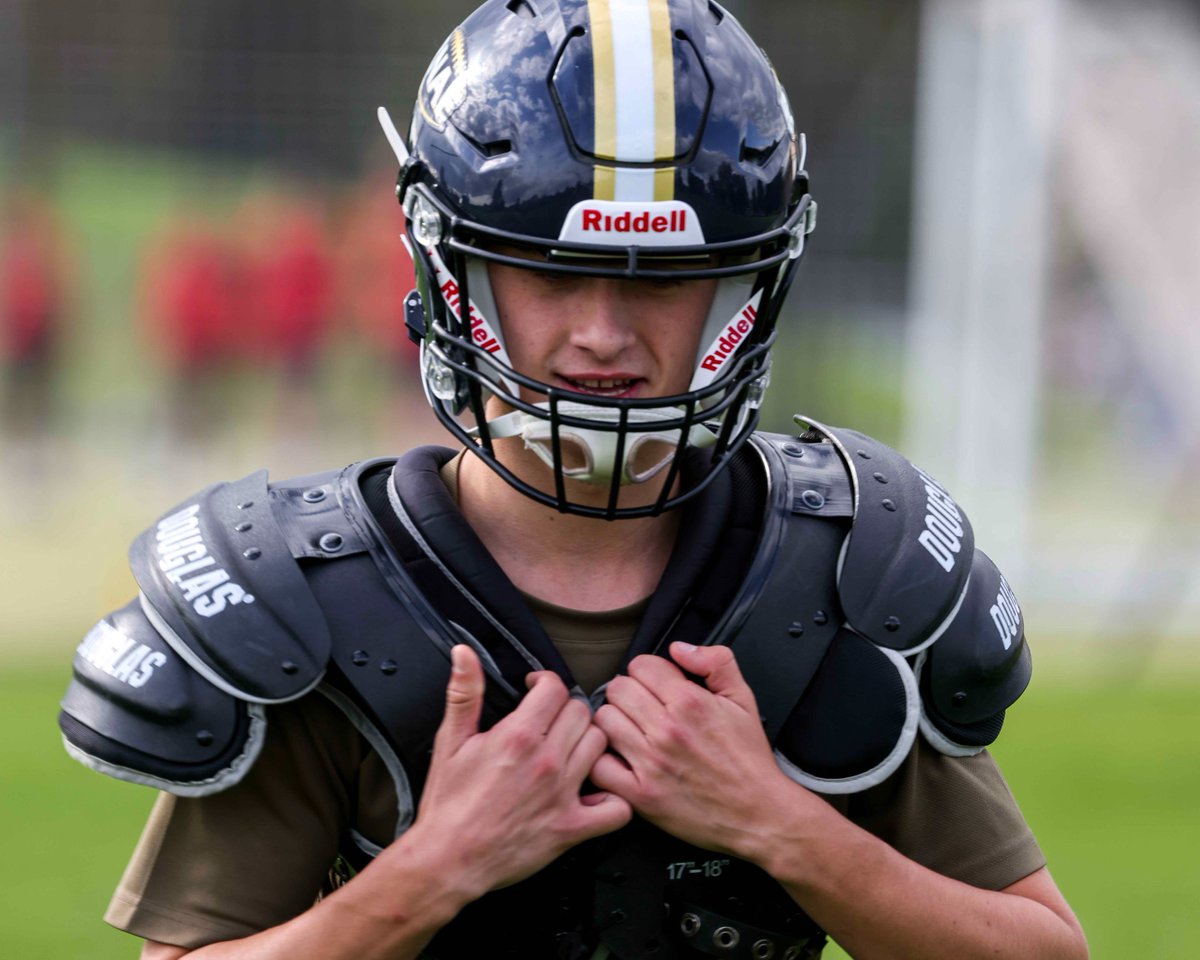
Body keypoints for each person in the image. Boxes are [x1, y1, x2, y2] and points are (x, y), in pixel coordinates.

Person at [59, 1, 1088, 958]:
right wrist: (431, 870)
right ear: (453, 275)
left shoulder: (845, 578)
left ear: (746, 285)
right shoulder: (308, 606)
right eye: (550, 273)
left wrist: (783, 827)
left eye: (668, 282)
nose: (603, 337)